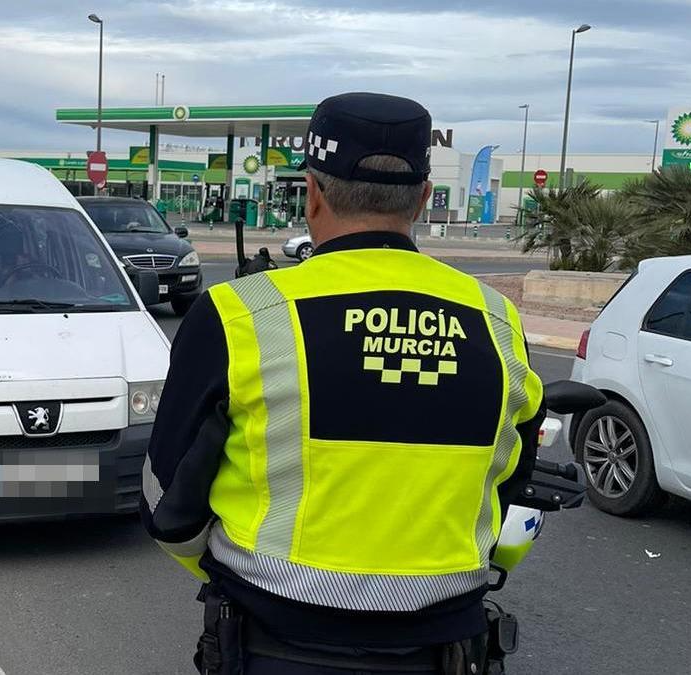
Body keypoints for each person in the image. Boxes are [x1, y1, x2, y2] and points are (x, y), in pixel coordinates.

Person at [140, 92, 545, 674]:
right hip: (444, 649)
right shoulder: (496, 319)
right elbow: (511, 479)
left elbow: (166, 492)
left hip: (273, 646)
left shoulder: (240, 313)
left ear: (312, 194)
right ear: (425, 198)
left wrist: (217, 569)